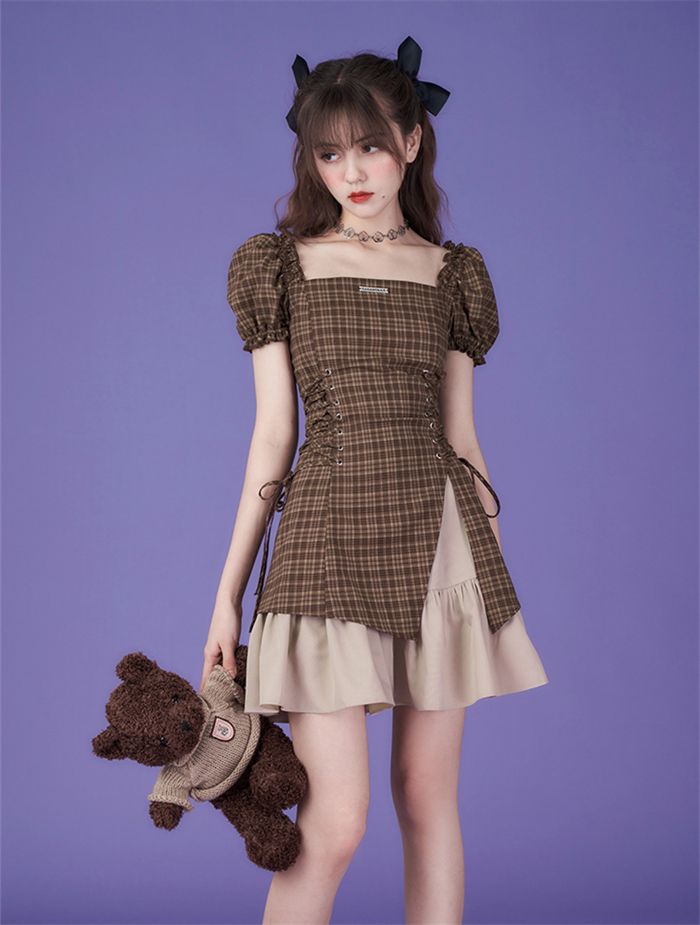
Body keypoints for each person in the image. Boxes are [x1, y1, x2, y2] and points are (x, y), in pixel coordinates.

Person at [200, 36, 549, 925]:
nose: (350, 172)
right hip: (325, 543)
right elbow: (272, 438)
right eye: (328, 153)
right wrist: (227, 598)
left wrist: (491, 576)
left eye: (369, 146)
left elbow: (462, 438)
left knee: (428, 801)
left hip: (441, 544)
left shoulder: (454, 274)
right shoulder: (277, 265)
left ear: (413, 141)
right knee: (336, 824)